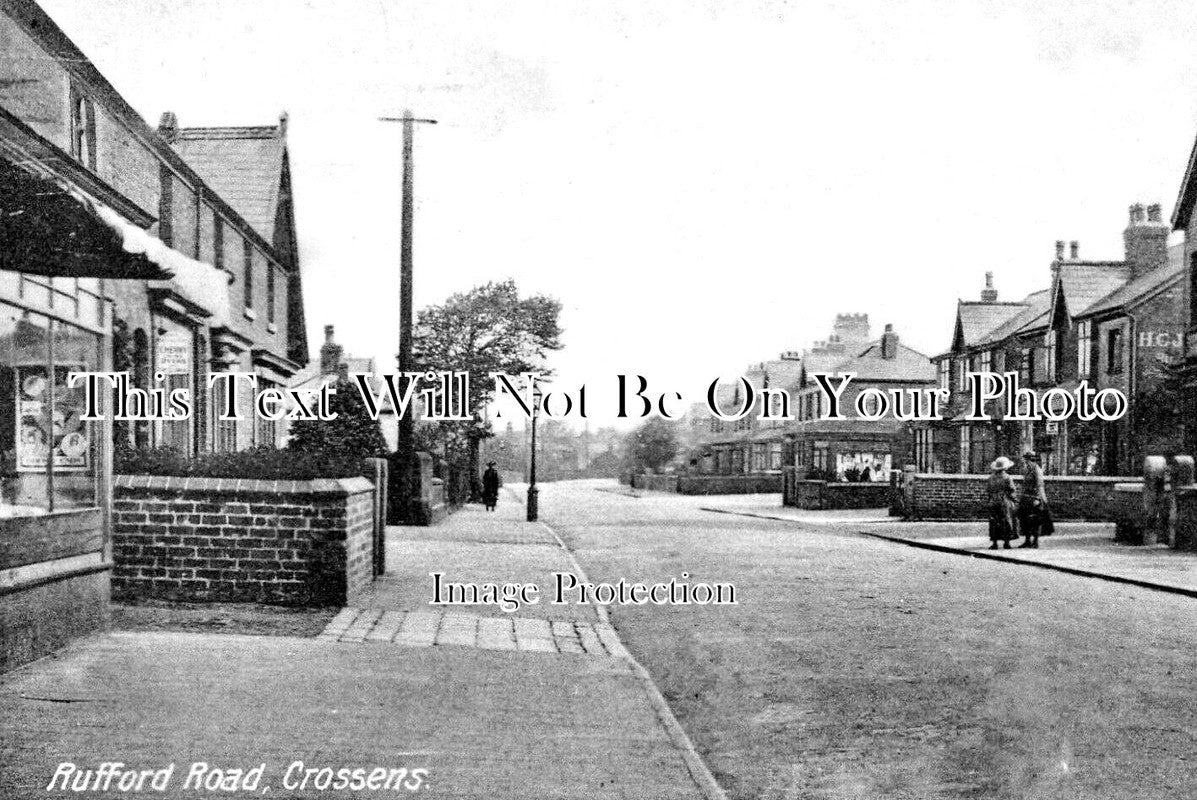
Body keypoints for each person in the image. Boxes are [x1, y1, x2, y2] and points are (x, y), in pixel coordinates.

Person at [1017, 450, 1052, 548]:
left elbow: (1040, 485)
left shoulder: (1036, 469)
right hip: (1026, 497)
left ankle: (1035, 541)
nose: (1025, 461)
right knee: (1025, 519)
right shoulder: (1027, 469)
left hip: (1034, 498)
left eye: (1026, 459)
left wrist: (1041, 499)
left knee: (1035, 520)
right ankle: (1027, 540)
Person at [987, 456, 1018, 550]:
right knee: (1006, 521)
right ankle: (1006, 542)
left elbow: (988, 490)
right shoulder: (1007, 477)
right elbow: (1012, 489)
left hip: (993, 501)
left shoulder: (991, 477)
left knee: (994, 521)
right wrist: (1014, 499)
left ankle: (994, 542)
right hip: (1004, 501)